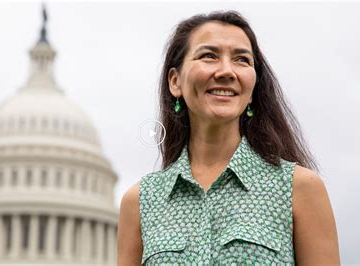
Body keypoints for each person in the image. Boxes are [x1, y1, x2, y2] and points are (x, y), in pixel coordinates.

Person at [118, 10, 340, 265]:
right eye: (209, 56)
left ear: (254, 85)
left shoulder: (299, 189)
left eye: (242, 60)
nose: (226, 71)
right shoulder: (140, 202)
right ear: (175, 81)